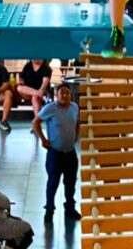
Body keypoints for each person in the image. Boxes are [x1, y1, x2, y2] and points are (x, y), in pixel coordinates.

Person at [32, 84, 80, 221]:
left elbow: (77, 122)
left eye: (67, 93)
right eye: (61, 93)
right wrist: (43, 139)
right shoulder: (50, 108)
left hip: (70, 153)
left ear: (70, 94)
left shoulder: (74, 107)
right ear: (56, 95)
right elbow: (36, 122)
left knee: (70, 183)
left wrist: (76, 135)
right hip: (55, 154)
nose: (64, 96)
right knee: (53, 182)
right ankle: (49, 209)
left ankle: (70, 209)